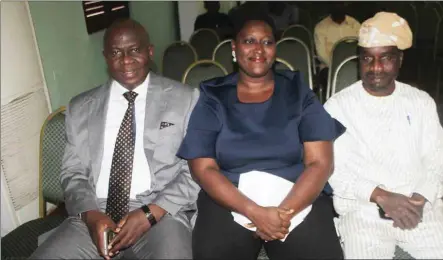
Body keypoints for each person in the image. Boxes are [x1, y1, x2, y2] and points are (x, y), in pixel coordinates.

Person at [177, 8, 345, 260]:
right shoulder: (214, 97)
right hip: (230, 198)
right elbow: (203, 169)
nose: (259, 49)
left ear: (275, 49)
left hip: (295, 196)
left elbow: (320, 163)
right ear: (234, 49)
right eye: (249, 41)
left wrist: (281, 215)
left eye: (267, 42)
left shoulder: (298, 93)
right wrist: (254, 212)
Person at [30, 19, 200, 259]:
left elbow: (196, 170)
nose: (126, 60)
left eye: (134, 50)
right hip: (95, 210)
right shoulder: (81, 107)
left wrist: (151, 213)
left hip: (161, 212)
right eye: (116, 53)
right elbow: (73, 173)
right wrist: (91, 216)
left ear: (149, 51)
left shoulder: (185, 99)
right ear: (105, 56)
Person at [324, 12, 443, 259]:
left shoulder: (420, 102)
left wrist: (420, 197)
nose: (376, 68)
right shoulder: (337, 107)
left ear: (400, 60)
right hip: (364, 213)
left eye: (386, 58)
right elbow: (334, 169)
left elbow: (438, 158)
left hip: (420, 211)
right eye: (367, 59)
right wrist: (381, 196)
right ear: (358, 61)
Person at [314, 2, 361, 90]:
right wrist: (338, 67)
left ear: (345, 5)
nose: (338, 7)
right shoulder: (321, 27)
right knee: (327, 77)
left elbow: (362, 47)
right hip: (329, 68)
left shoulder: (355, 25)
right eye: (335, 4)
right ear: (330, 7)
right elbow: (321, 54)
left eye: (340, 4)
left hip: (354, 66)